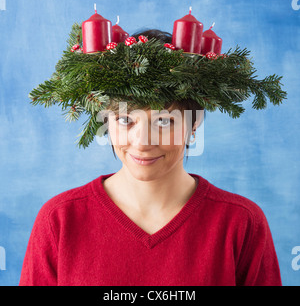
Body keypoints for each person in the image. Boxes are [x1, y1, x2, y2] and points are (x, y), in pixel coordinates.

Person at [20, 30, 282, 286]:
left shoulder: (241, 222)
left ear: (194, 123)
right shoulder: (60, 220)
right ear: (106, 121)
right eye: (125, 120)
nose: (143, 142)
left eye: (164, 121)